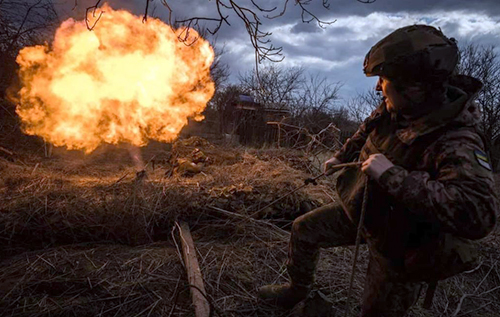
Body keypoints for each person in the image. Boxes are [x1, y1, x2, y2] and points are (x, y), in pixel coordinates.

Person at [258, 25, 498, 316]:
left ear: (414, 88)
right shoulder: (396, 107)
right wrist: (340, 156)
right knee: (304, 229)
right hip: (365, 211)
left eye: (383, 80)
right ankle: (296, 290)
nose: (377, 87)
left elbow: (478, 215)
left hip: (402, 244)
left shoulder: (457, 140)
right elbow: (365, 132)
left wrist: (392, 176)